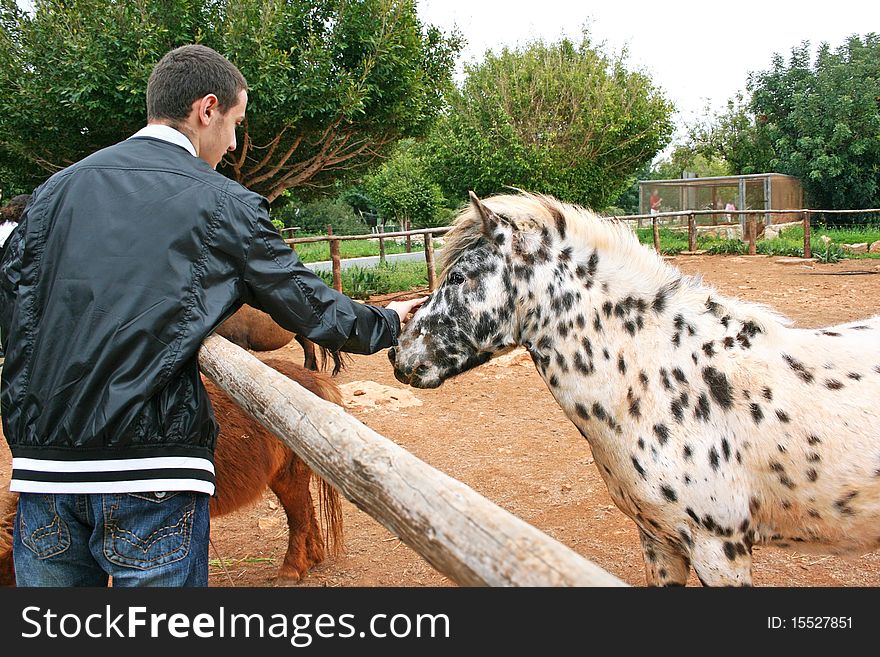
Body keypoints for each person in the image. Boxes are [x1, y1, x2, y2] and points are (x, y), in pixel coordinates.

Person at [0, 44, 425, 587]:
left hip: (44, 472)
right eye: (235, 123)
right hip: (152, 469)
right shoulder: (223, 202)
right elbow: (308, 304)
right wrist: (391, 322)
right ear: (207, 110)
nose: (232, 143)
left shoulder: (50, 196)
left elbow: (14, 309)